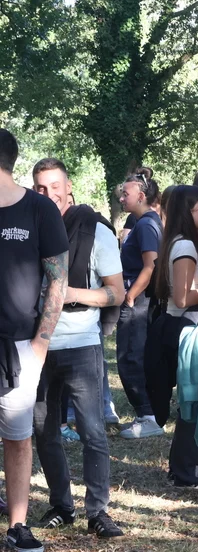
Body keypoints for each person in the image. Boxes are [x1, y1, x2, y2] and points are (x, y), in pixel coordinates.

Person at [29, 159, 125, 539]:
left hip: (81, 343)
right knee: (43, 429)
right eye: (40, 188)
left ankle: (98, 511)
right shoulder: (30, 227)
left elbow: (116, 292)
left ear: (68, 186)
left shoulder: (95, 230)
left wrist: (69, 293)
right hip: (37, 344)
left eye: (55, 186)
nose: (48, 194)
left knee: (92, 432)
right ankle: (61, 504)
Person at [0, 130, 68, 552]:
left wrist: (41, 344)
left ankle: (18, 525)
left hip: (21, 345)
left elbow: (57, 279)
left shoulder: (39, 209)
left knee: (18, 436)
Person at [155, 185, 198, 489]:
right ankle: (185, 470)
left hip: (182, 325)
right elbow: (181, 297)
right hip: (185, 326)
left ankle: (187, 466)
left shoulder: (179, 242)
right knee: (191, 399)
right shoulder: (185, 246)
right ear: (187, 212)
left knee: (191, 400)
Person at [117, 167, 165, 439]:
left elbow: (150, 266)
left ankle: (147, 417)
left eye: (126, 193)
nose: (121, 198)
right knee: (135, 356)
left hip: (139, 300)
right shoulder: (145, 222)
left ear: (141, 196)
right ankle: (146, 414)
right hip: (141, 298)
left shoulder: (146, 224)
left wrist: (130, 296)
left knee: (130, 357)